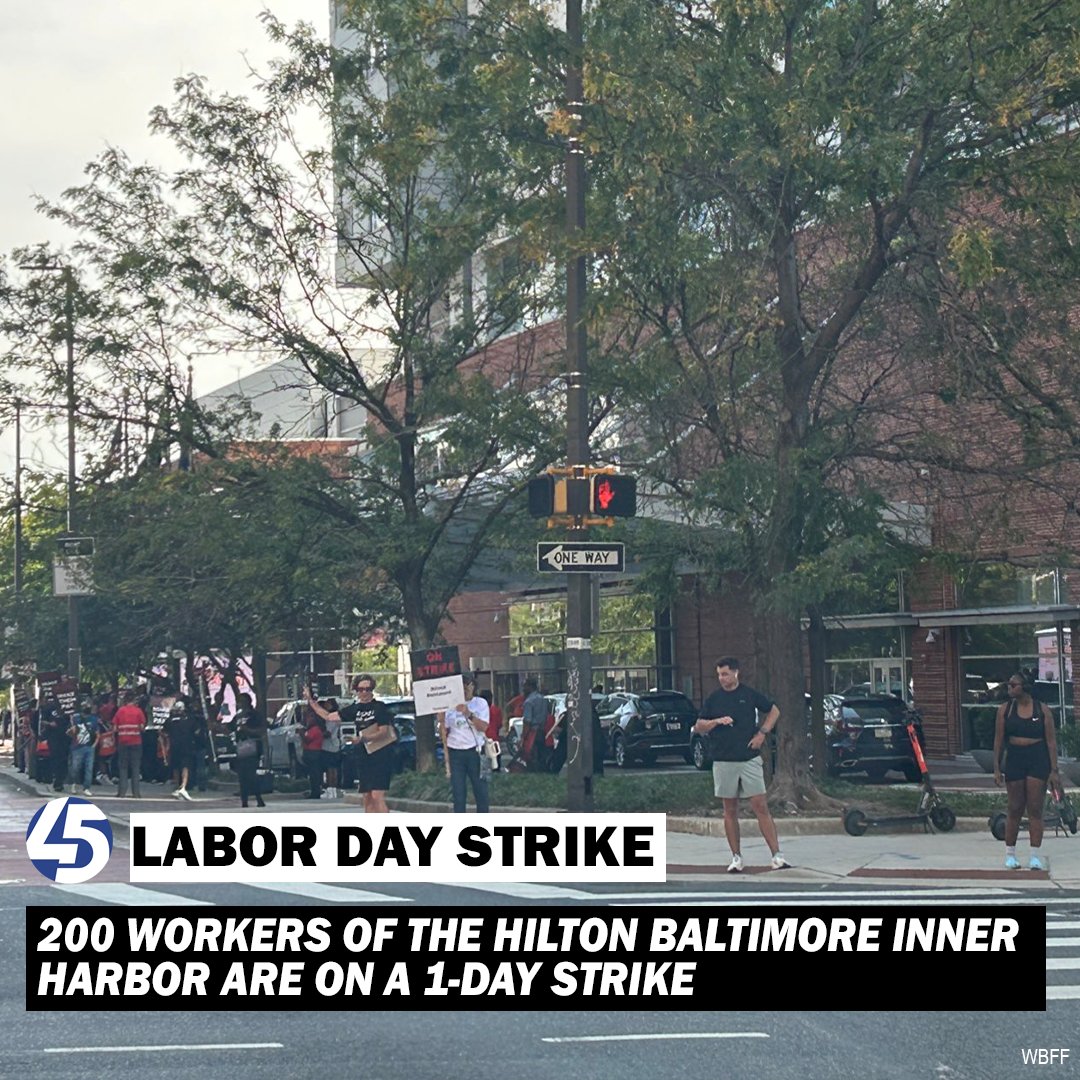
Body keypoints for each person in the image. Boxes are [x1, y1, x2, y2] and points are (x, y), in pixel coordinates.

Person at [693, 656, 790, 872]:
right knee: (730, 809)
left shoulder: (748, 694)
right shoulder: (714, 699)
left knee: (760, 805)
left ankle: (777, 854)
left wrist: (763, 733)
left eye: (725, 674)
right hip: (723, 760)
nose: (722, 678)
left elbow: (774, 710)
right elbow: (699, 725)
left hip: (749, 758)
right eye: (719, 674)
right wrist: (716, 721)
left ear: (736, 672)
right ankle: (736, 857)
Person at [994, 671, 1060, 870]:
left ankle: (1034, 855)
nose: (1010, 688)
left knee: (1035, 808)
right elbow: (998, 741)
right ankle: (1010, 854)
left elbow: (1051, 742)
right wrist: (996, 767)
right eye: (1009, 685)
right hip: (1015, 757)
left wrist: (1054, 770)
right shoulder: (1005, 710)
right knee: (1015, 807)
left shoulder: (1042, 711)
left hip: (1037, 757)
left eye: (1013, 685)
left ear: (1025, 687)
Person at [306, 675, 394, 814]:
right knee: (367, 796)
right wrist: (311, 702)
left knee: (377, 796)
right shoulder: (355, 708)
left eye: (368, 689)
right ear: (356, 690)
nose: (364, 692)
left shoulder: (380, 708)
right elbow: (329, 716)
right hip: (363, 755)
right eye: (361, 689)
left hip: (380, 755)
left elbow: (384, 732)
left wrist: (363, 738)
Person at [439, 674, 490, 813]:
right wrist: (441, 722)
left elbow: (483, 727)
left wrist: (468, 713)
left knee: (481, 791)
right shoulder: (450, 706)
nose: (465, 689)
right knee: (458, 793)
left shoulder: (480, 703)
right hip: (456, 752)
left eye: (468, 685)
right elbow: (444, 733)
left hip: (475, 751)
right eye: (461, 686)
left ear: (473, 686)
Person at [232, 695, 267, 808]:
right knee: (242, 776)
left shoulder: (255, 715)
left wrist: (247, 730)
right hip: (240, 748)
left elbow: (261, 730)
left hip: (252, 748)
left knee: (252, 775)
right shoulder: (238, 716)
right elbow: (230, 727)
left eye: (242, 701)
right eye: (239, 701)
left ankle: (258, 798)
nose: (240, 703)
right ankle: (244, 801)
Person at [114, 690, 147, 798]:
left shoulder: (120, 711)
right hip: (136, 742)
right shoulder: (138, 711)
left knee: (123, 767)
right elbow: (142, 727)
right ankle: (136, 793)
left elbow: (114, 728)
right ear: (134, 700)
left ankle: (122, 792)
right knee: (135, 767)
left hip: (122, 742)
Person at [162, 699, 197, 801]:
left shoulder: (170, 720)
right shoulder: (189, 719)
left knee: (175, 766)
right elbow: (196, 731)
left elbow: (163, 732)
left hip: (174, 746)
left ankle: (177, 786)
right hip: (186, 746)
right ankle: (183, 786)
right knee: (185, 766)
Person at [67, 699, 100, 796]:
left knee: (88, 768)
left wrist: (93, 746)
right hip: (78, 747)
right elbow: (69, 732)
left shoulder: (93, 719)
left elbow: (97, 734)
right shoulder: (76, 718)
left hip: (88, 746)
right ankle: (74, 784)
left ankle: (86, 787)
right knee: (76, 767)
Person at [521, 678, 547, 769]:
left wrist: (523, 737)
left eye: (525, 686)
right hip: (542, 731)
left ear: (530, 687)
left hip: (532, 733)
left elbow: (527, 721)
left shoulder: (529, 702)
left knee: (531, 757)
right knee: (541, 756)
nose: (523, 689)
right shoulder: (542, 698)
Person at [300, 708, 325, 800]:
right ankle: (314, 791)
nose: (307, 720)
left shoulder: (315, 729)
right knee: (312, 774)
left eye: (309, 718)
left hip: (314, 753)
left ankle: (316, 792)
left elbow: (308, 740)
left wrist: (301, 734)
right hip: (309, 752)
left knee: (314, 774)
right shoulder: (310, 729)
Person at [479, 689, 503, 772]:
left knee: (482, 763)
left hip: (481, 739)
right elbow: (500, 724)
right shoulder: (496, 710)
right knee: (496, 763)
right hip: (494, 739)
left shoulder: (478, 712)